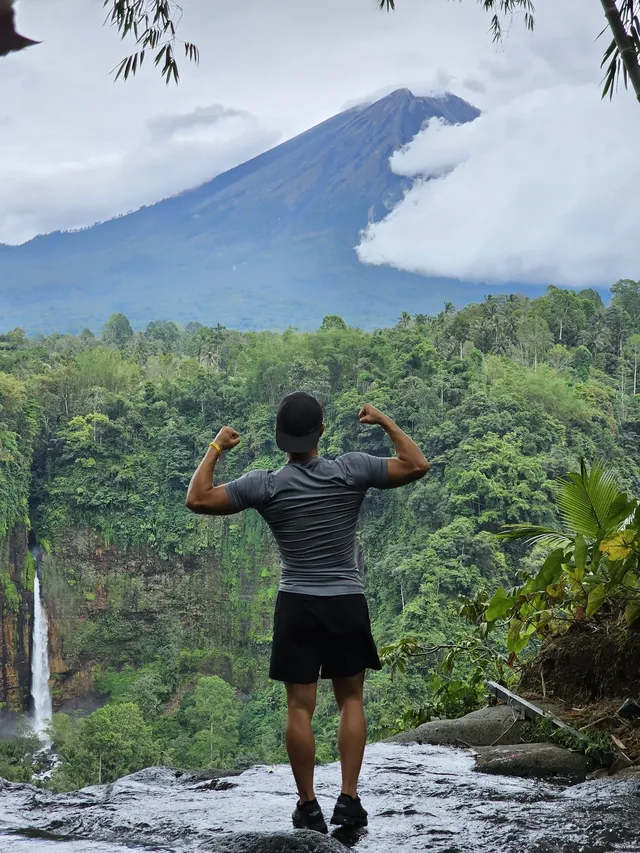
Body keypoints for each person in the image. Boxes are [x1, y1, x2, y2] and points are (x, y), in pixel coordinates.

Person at [185, 392, 429, 833]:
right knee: (351, 698)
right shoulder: (351, 469)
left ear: (281, 441)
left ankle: (308, 805)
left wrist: (217, 446)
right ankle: (350, 799)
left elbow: (197, 499)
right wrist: (385, 421)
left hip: (296, 603)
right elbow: (416, 464)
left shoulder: (265, 484)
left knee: (300, 708)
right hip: (345, 601)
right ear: (322, 432)